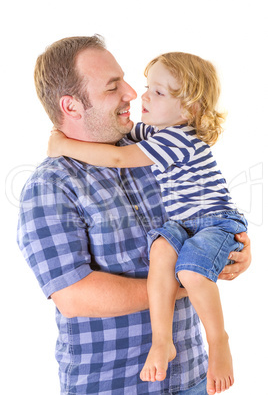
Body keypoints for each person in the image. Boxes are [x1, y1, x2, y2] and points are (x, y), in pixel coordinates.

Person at [17, 36, 251, 395]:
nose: (130, 93)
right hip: (115, 385)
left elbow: (201, 217)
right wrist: (191, 282)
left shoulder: (152, 150)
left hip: (193, 377)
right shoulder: (50, 186)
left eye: (126, 80)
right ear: (72, 106)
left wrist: (233, 250)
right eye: (113, 87)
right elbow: (75, 295)